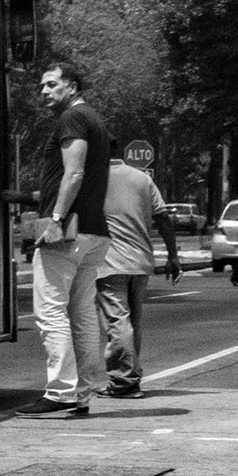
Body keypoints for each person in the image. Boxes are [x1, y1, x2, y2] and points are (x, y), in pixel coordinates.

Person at [20, 62, 112, 419]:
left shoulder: (72, 119)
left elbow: (74, 173)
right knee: (82, 314)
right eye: (42, 85)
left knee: (50, 311)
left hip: (69, 231)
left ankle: (60, 391)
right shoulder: (94, 119)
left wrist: (56, 219)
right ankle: (83, 393)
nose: (44, 91)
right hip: (94, 231)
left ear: (71, 86)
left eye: (51, 84)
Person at [95, 142, 184, 399]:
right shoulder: (142, 178)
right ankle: (131, 377)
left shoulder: (94, 179)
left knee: (117, 321)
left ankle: (124, 381)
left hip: (110, 261)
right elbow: (163, 218)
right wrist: (173, 256)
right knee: (132, 322)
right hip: (141, 261)